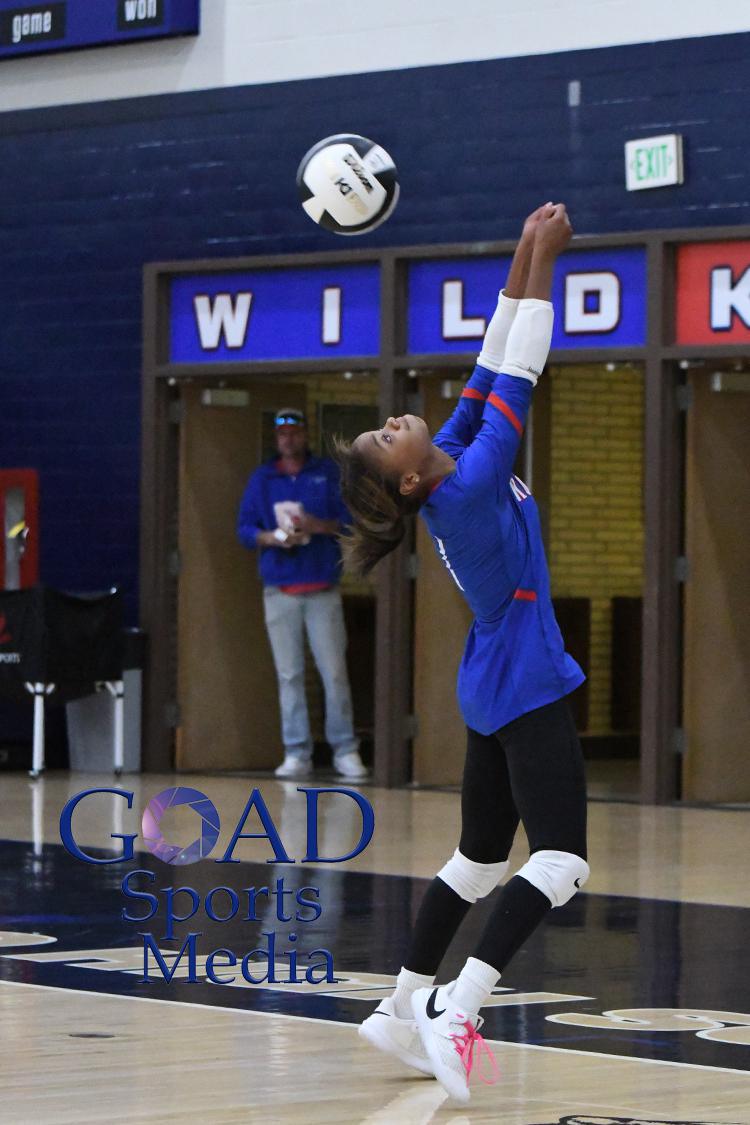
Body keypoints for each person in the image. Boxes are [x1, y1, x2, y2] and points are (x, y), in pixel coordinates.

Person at [335, 204, 589, 1103]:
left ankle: (401, 1002)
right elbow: (522, 368)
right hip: (524, 676)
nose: (401, 417)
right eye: (388, 434)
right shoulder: (470, 481)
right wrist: (550, 261)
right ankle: (462, 1007)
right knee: (561, 859)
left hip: (489, 676)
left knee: (480, 858)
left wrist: (521, 246)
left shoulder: (445, 458)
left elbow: (488, 358)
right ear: (408, 478)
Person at [237, 407, 367, 780]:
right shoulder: (263, 479)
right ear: (276, 439)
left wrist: (316, 525)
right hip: (280, 590)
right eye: (282, 434)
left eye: (294, 432)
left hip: (322, 588)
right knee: (289, 675)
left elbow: (348, 522)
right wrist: (272, 537)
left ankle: (345, 748)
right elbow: (245, 529)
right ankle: (296, 751)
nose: (288, 439)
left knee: (334, 672)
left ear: (304, 435)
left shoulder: (325, 474)